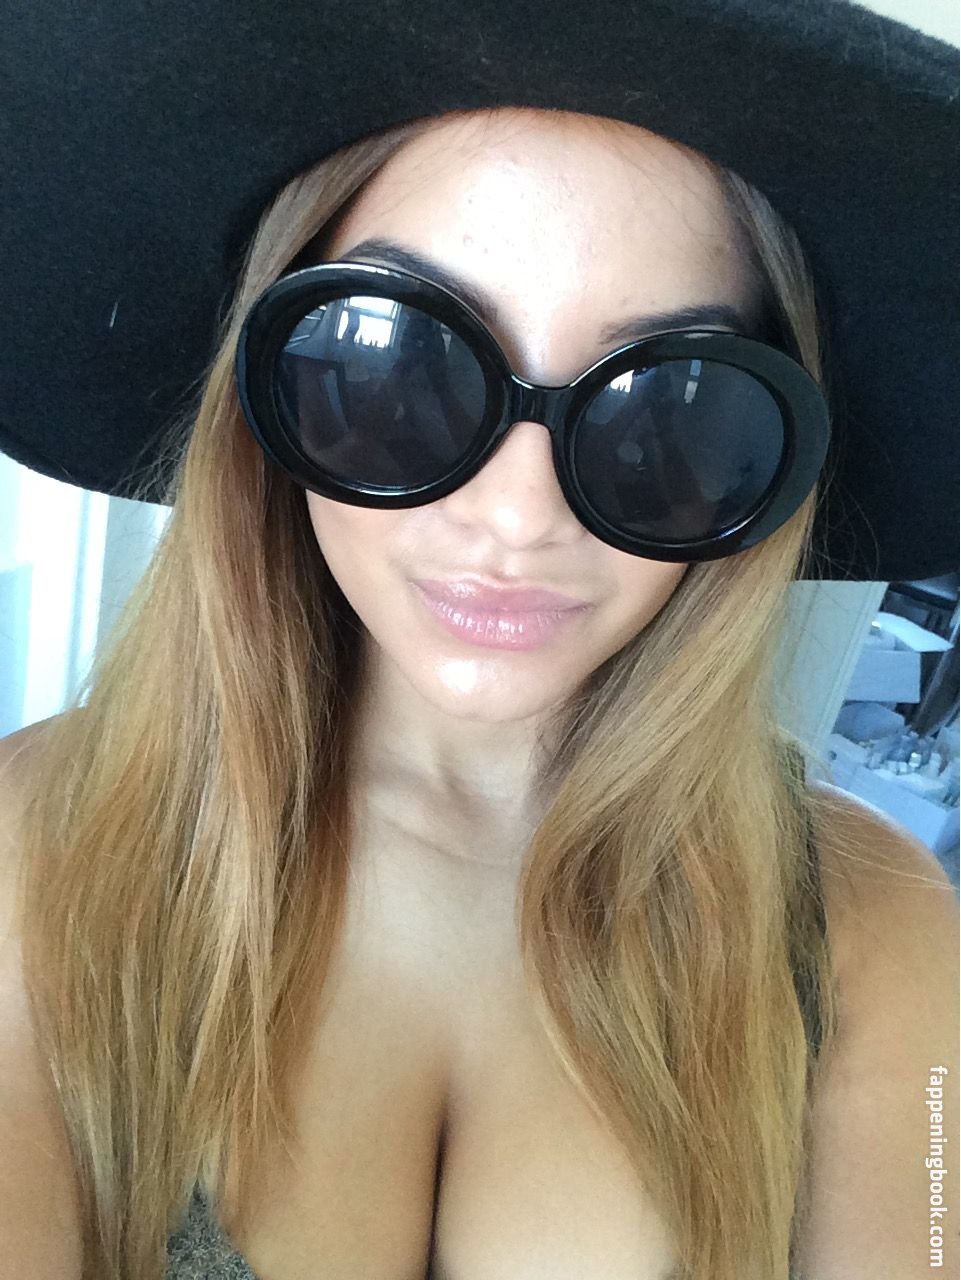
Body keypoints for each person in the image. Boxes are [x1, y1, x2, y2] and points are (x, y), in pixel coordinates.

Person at [0, 5, 957, 1280]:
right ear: (263, 388)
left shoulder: (873, 924)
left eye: (667, 409)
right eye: (400, 365)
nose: (517, 516)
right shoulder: (34, 850)